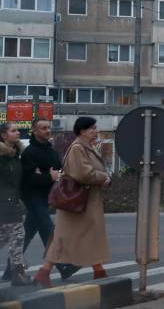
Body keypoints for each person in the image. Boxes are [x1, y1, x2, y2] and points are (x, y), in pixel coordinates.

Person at [34, 117, 111, 288]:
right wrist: (103, 178)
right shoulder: (78, 148)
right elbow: (84, 173)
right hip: (78, 202)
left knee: (80, 236)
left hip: (84, 201)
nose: (95, 131)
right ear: (82, 131)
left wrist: (103, 177)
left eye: (95, 128)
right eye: (92, 128)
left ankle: (98, 271)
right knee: (64, 238)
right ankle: (44, 272)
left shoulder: (87, 147)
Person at [8, 118, 79, 281]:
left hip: (46, 196)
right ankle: (64, 266)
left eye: (48, 127)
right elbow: (29, 178)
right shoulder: (29, 152)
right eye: (43, 128)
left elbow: (61, 172)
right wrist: (49, 176)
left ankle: (9, 269)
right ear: (34, 130)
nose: (47, 130)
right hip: (32, 196)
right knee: (48, 229)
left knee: (28, 232)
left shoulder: (52, 151)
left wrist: (51, 175)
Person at [0, 123, 31, 285]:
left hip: (12, 204)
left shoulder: (16, 154)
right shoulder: (2, 156)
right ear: (4, 135)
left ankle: (18, 273)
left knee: (11, 238)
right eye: (13, 130)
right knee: (18, 236)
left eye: (18, 130)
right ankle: (18, 274)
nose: (18, 132)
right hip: (4, 205)